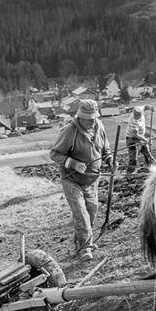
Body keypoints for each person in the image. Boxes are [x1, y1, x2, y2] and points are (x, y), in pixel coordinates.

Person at [49, 99, 112, 261]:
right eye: (88, 118)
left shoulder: (99, 126)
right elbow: (54, 154)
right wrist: (73, 163)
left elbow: (105, 148)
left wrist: (110, 160)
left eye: (93, 117)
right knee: (81, 214)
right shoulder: (70, 131)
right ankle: (84, 248)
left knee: (91, 211)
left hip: (92, 178)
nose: (91, 121)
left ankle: (82, 242)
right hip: (72, 180)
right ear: (79, 116)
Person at [125, 105, 156, 173]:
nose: (136, 117)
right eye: (135, 115)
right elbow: (135, 135)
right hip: (132, 139)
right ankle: (129, 174)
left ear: (141, 113)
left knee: (147, 153)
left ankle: (150, 169)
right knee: (133, 159)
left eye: (137, 115)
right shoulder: (133, 122)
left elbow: (145, 107)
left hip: (140, 137)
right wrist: (146, 140)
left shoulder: (139, 110)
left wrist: (151, 108)